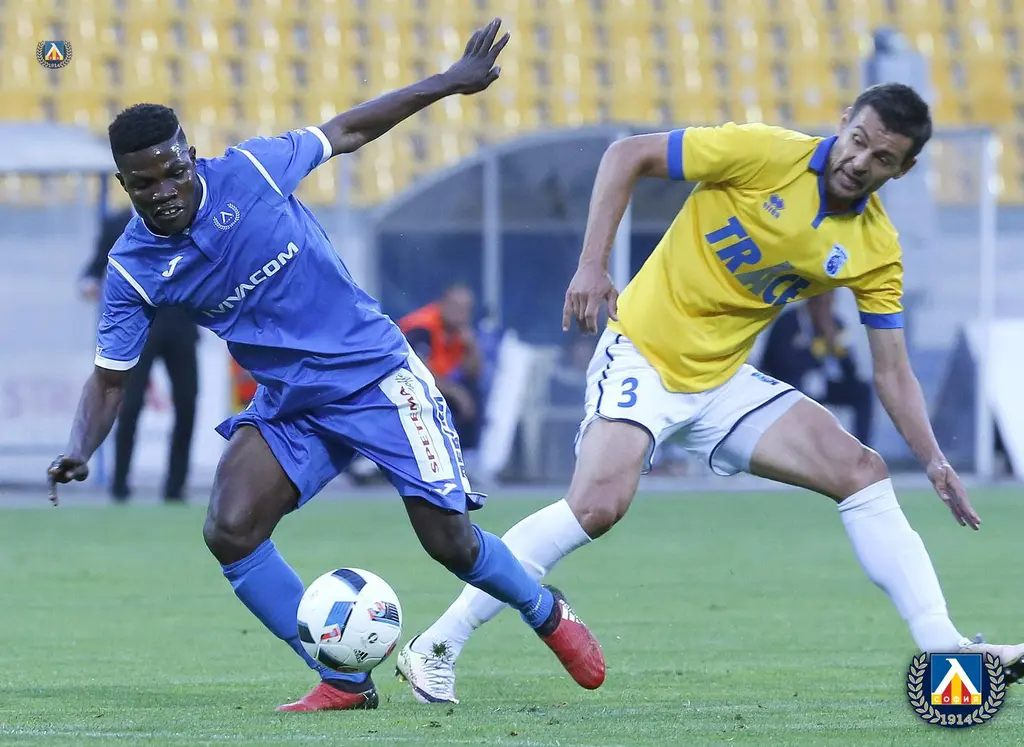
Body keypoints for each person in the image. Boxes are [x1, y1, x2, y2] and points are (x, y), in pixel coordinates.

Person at [395, 83, 1024, 704]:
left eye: (882, 157)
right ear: (843, 122)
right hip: (643, 352)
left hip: (721, 380)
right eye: (857, 140)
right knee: (596, 506)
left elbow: (892, 371)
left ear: (902, 170)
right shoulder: (763, 153)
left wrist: (934, 460)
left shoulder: (876, 248)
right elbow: (626, 155)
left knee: (862, 472)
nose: (860, 161)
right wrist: (592, 264)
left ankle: (945, 646)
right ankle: (439, 643)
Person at [46, 18, 604, 712]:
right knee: (230, 528)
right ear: (123, 184)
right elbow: (110, 379)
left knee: (451, 544)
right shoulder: (134, 267)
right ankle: (343, 679)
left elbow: (347, 130)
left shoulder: (251, 170)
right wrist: (79, 448)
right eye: (143, 184)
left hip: (376, 378)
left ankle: (546, 609)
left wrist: (448, 83)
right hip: (292, 402)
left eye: (173, 172)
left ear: (193, 155)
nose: (163, 191)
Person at [81, 206, 199, 502]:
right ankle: (120, 484)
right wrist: (89, 282)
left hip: (181, 324)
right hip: (139, 328)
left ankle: (175, 488)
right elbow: (96, 265)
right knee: (129, 405)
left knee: (187, 404)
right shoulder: (117, 224)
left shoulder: (185, 214)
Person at [760, 291, 874, 446]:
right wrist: (817, 348)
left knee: (862, 390)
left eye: (830, 303)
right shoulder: (788, 322)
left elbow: (850, 371)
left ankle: (862, 447)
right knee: (799, 386)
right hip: (789, 384)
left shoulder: (836, 324)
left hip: (822, 383)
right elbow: (781, 363)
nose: (826, 308)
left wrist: (837, 348)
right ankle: (799, 446)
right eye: (822, 303)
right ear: (811, 301)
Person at [398, 285, 484, 453]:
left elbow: (475, 372)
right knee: (457, 397)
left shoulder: (460, 332)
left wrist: (472, 347)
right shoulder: (422, 327)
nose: (461, 314)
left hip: (438, 384)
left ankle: (468, 453)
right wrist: (455, 392)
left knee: (473, 389)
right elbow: (417, 372)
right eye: (456, 307)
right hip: (406, 388)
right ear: (442, 304)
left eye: (466, 309)